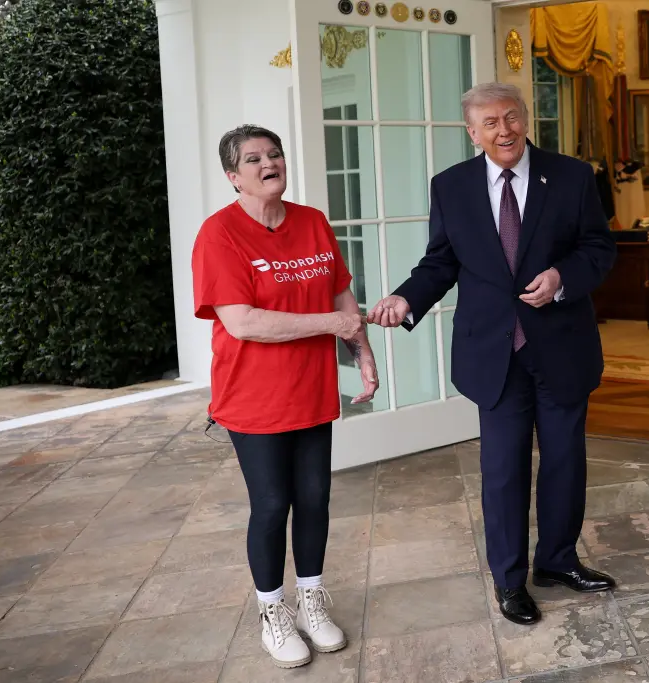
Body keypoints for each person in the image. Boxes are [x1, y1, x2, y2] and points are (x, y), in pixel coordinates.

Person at [368, 83, 618, 625]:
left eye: (511, 117)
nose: (503, 130)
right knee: (503, 471)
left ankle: (557, 562)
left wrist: (561, 278)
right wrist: (405, 298)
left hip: (562, 347)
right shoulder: (451, 187)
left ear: (525, 119)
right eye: (489, 122)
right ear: (472, 131)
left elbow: (599, 248)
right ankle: (509, 581)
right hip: (493, 354)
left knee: (564, 463)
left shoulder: (572, 176)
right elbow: (440, 262)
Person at [191, 125, 379, 668]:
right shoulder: (219, 235)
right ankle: (273, 610)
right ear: (233, 177)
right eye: (253, 159)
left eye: (274, 154)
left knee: (315, 498)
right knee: (273, 505)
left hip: (313, 387)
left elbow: (340, 288)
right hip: (252, 397)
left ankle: (312, 601)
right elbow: (244, 322)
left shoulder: (312, 222)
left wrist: (361, 351)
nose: (268, 163)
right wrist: (336, 323)